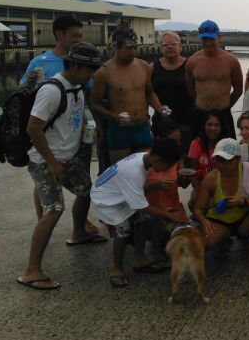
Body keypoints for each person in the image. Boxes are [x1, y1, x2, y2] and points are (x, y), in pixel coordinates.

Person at [17, 43, 106, 290]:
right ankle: (31, 271)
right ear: (74, 65)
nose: (92, 75)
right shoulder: (51, 90)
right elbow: (33, 128)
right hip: (44, 160)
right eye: (89, 69)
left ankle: (79, 234)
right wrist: (52, 162)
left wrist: (87, 132)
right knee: (54, 209)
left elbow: (72, 119)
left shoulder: (76, 88)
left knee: (86, 191)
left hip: (67, 157)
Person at [19, 16, 98, 233]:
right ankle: (44, 220)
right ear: (59, 34)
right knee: (45, 184)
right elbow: (23, 95)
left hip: (75, 133)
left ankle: (80, 222)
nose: (78, 39)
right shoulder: (40, 62)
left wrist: (93, 126)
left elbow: (85, 97)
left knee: (82, 181)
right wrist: (29, 83)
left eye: (81, 36)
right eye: (75, 35)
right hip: (48, 137)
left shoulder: (83, 62)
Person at [90, 138, 188, 288]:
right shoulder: (134, 171)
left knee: (143, 219)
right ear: (156, 160)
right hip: (105, 200)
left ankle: (139, 260)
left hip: (116, 192)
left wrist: (155, 185)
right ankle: (116, 268)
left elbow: (136, 189)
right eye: (167, 166)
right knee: (123, 229)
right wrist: (170, 215)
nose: (167, 170)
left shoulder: (143, 157)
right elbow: (141, 206)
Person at [192, 138, 249, 268]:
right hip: (219, 222)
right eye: (218, 160)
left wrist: (243, 202)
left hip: (244, 220)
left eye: (226, 161)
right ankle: (223, 240)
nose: (221, 165)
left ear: (238, 159)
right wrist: (204, 221)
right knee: (204, 244)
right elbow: (198, 208)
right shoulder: (210, 178)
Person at [91, 27, 169, 164]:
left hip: (142, 127)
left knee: (145, 169)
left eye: (135, 48)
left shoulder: (143, 66)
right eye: (128, 48)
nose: (133, 52)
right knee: (122, 171)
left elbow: (149, 92)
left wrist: (159, 108)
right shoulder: (103, 72)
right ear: (115, 47)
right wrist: (114, 117)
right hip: (119, 131)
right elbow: (95, 104)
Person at [185, 20, 243, 138]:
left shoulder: (231, 61)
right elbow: (190, 89)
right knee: (198, 148)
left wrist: (226, 106)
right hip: (200, 114)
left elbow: (238, 90)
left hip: (223, 114)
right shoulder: (192, 62)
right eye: (204, 39)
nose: (208, 43)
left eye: (211, 39)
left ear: (219, 37)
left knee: (227, 148)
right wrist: (201, 104)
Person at [144, 115, 187, 267]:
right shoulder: (148, 159)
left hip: (172, 208)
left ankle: (162, 241)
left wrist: (187, 177)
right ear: (159, 139)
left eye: (179, 142)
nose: (177, 145)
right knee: (160, 222)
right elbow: (135, 193)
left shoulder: (176, 157)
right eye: (174, 141)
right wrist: (155, 185)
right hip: (150, 211)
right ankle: (154, 249)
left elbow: (182, 184)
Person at [150, 31, 195, 148]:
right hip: (162, 122)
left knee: (185, 155)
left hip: (187, 121)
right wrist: (157, 108)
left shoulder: (190, 66)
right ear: (160, 48)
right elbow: (147, 92)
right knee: (162, 156)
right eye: (165, 45)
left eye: (173, 44)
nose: (169, 47)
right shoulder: (152, 68)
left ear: (180, 47)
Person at [186, 109, 231, 209]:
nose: (212, 128)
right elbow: (193, 173)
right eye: (209, 124)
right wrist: (199, 190)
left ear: (222, 127)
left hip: (222, 187)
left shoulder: (227, 145)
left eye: (217, 125)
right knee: (193, 204)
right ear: (204, 125)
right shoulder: (196, 144)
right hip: (201, 187)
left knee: (211, 205)